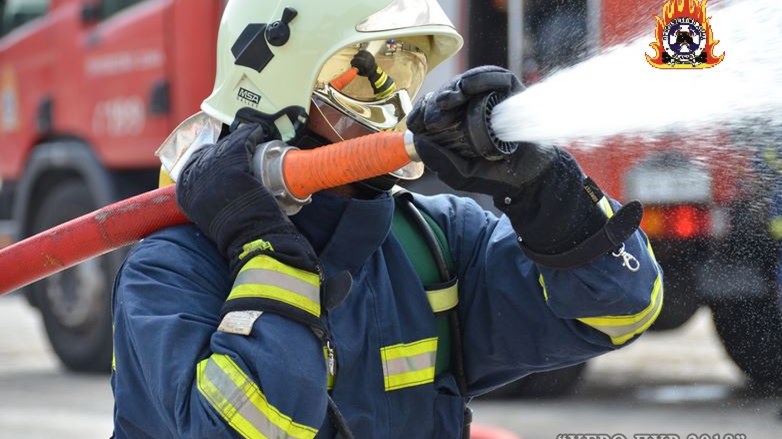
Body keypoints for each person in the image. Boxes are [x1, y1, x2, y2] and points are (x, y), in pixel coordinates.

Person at [110, 0, 663, 438]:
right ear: (279, 87)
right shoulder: (169, 273)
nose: (395, 108)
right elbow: (249, 430)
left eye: (406, 75)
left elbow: (621, 309)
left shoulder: (437, 247)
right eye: (368, 75)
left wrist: (548, 191)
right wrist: (270, 253)